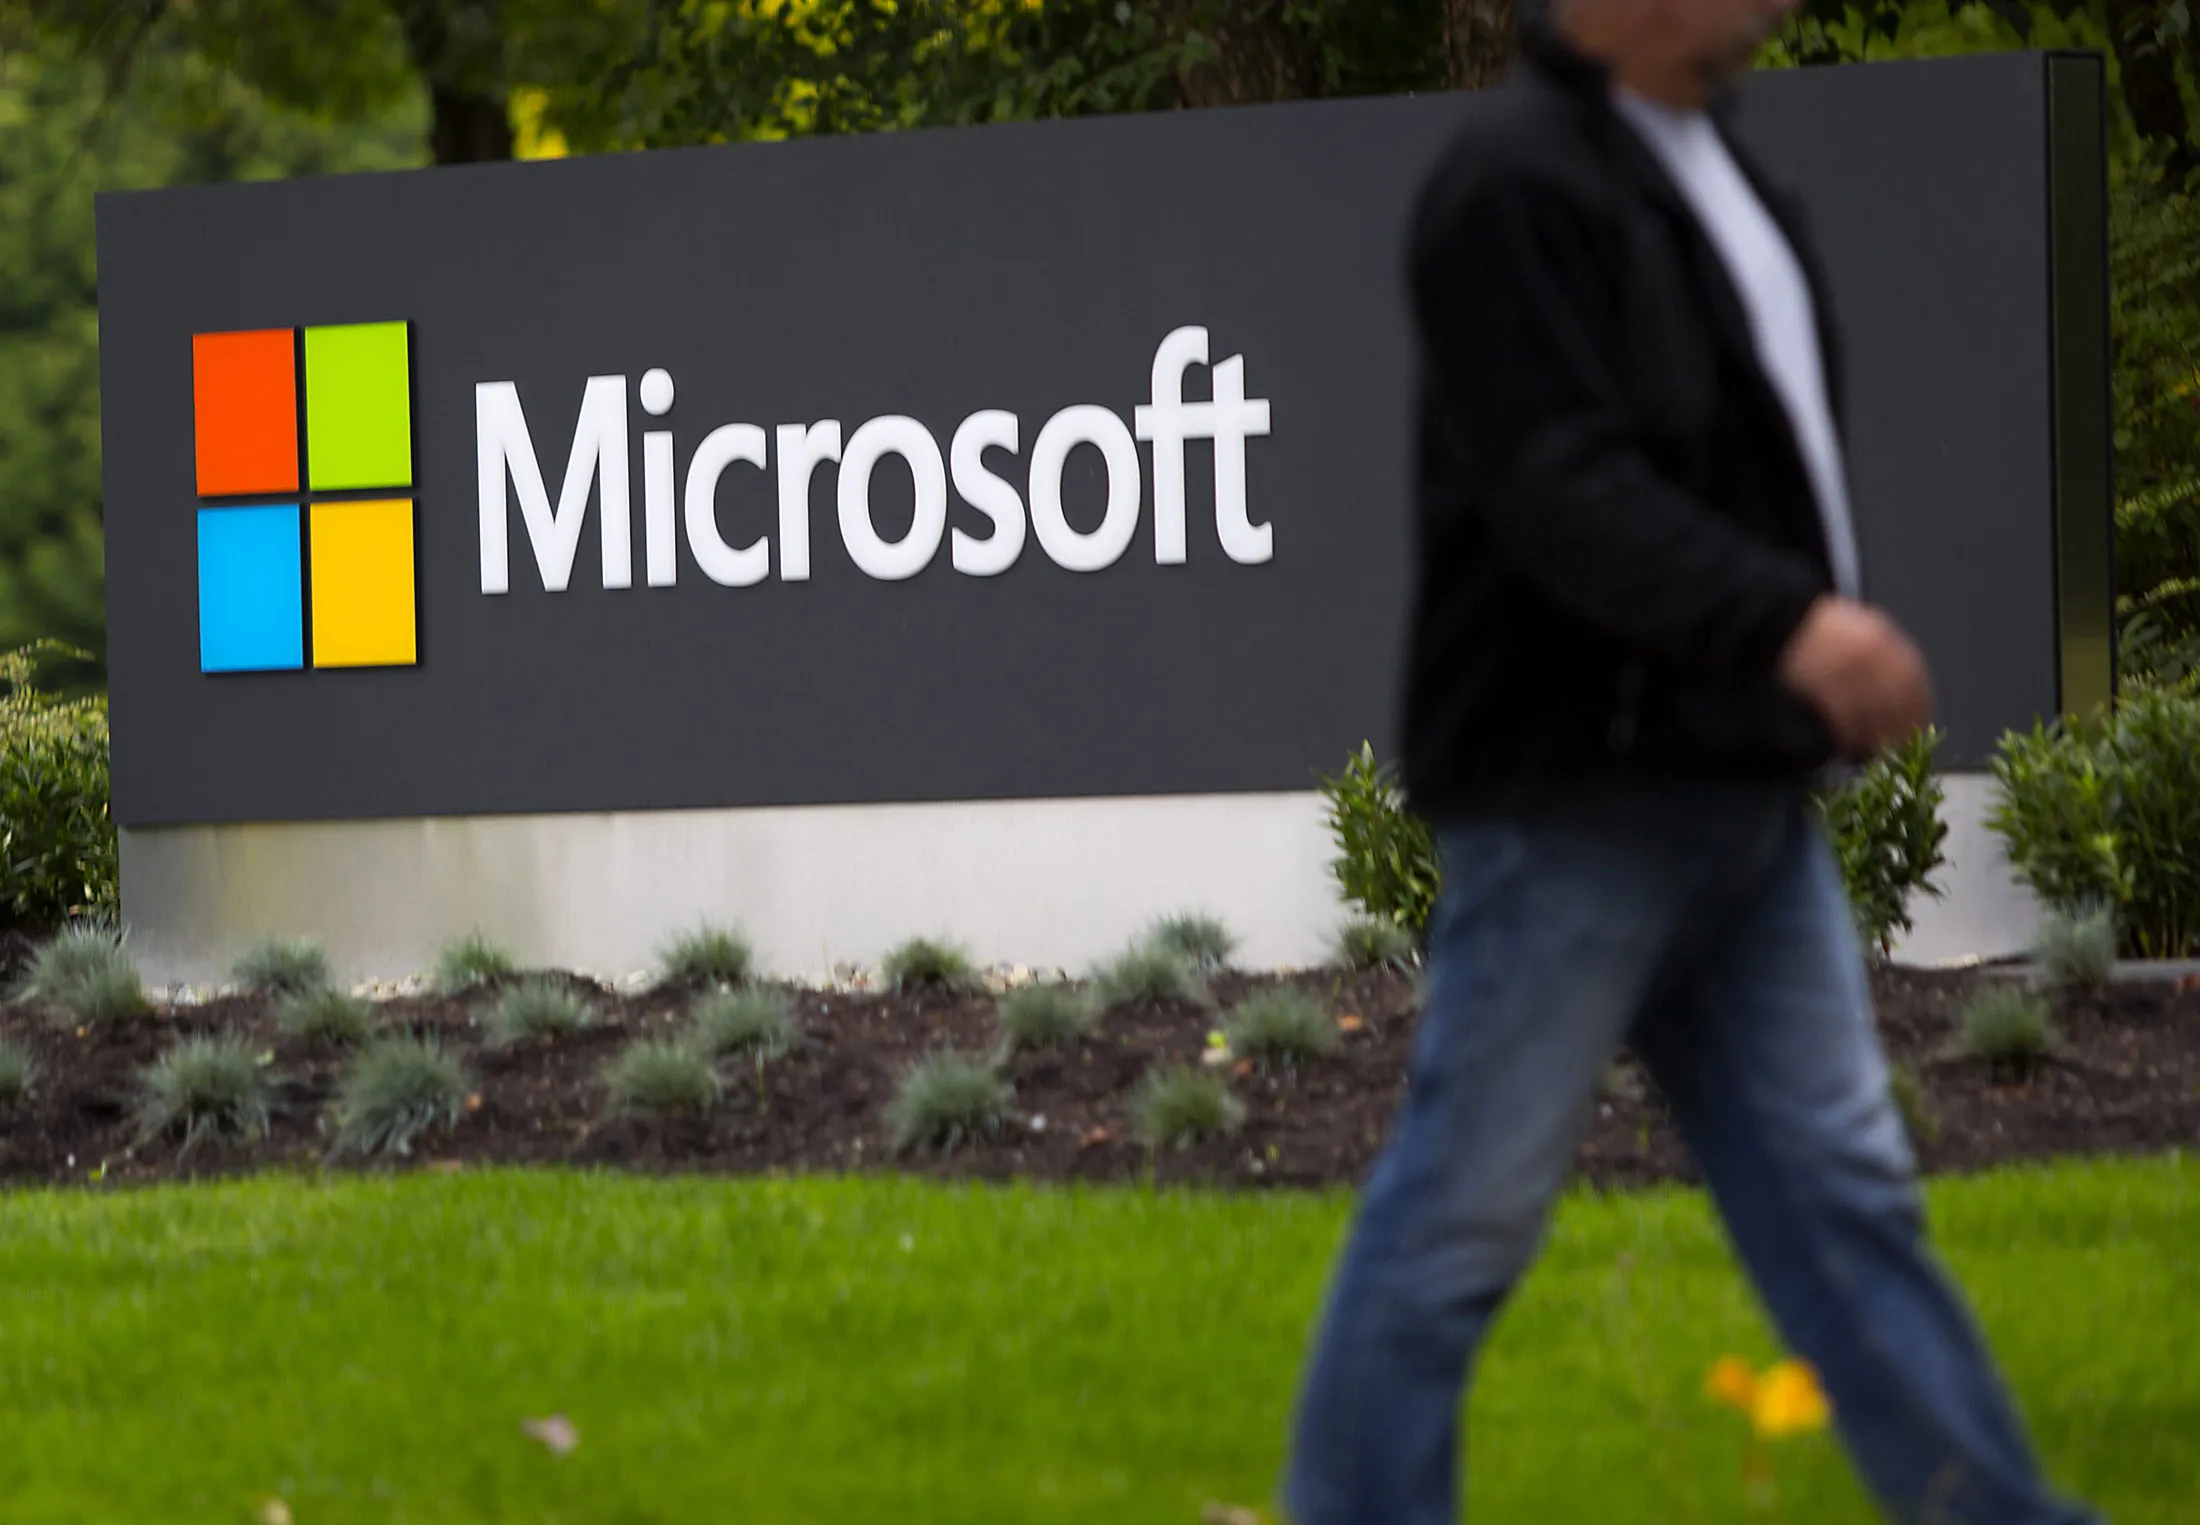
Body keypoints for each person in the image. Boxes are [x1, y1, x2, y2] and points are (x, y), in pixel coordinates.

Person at [1279, 0, 2100, 1521]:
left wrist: (1782, 664)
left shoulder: (1723, 178)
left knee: (1848, 1209)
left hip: (1737, 802)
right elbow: (1559, 489)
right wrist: (1793, 627)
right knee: (1459, 1225)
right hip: (1575, 808)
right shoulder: (1511, 188)